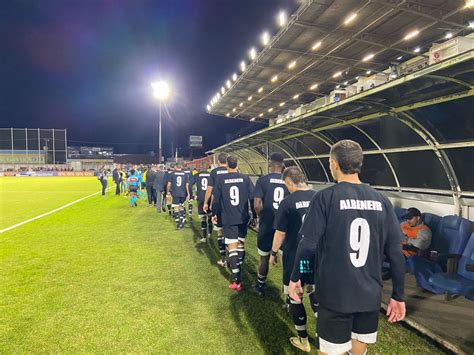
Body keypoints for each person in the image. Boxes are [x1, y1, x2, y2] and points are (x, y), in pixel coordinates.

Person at [288, 140, 406, 355]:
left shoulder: (325, 197)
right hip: (369, 296)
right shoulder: (382, 200)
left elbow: (308, 246)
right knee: (358, 350)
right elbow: (396, 253)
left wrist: (297, 277)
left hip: (335, 295)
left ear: (334, 164)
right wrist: (398, 295)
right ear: (359, 164)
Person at [270, 166, 317, 352]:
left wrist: (273, 253)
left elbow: (280, 234)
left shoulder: (288, 202)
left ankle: (303, 341)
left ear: (289, 182)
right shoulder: (318, 197)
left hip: (296, 257)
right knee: (314, 293)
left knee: (295, 295)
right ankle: (324, 339)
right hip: (315, 255)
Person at [212, 155, 256, 291]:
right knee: (240, 244)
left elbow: (217, 200)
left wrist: (214, 214)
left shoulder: (221, 179)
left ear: (226, 165)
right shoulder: (245, 178)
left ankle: (237, 280)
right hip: (243, 217)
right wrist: (254, 216)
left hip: (228, 218)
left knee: (232, 247)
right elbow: (252, 198)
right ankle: (239, 267)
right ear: (237, 164)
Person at [254, 152, 289, 296]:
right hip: (284, 228)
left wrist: (261, 216)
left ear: (270, 163)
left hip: (267, 226)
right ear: (282, 164)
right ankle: (288, 297)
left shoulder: (262, 180)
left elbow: (257, 205)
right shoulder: (289, 180)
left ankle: (260, 285)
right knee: (286, 262)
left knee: (264, 258)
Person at [204, 152, 229, 266]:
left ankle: (223, 258)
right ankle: (232, 257)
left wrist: (206, 203)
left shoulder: (214, 172)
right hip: (231, 206)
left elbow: (209, 190)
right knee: (230, 231)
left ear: (218, 161)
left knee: (220, 231)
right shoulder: (232, 170)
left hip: (218, 203)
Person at [167, 163, 190, 229]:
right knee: (182, 207)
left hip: (175, 193)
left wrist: (168, 191)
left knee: (176, 208)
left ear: (175, 167)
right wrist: (188, 193)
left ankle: (178, 223)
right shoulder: (185, 174)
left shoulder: (172, 174)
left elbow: (169, 184)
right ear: (181, 167)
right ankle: (181, 221)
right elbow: (187, 185)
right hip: (183, 193)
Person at [195, 164, 213, 243]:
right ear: (207, 168)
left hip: (201, 199)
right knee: (209, 217)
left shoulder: (197, 175)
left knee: (203, 218)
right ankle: (210, 234)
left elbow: (190, 184)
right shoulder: (211, 175)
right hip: (209, 198)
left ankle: (204, 237)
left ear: (201, 168)